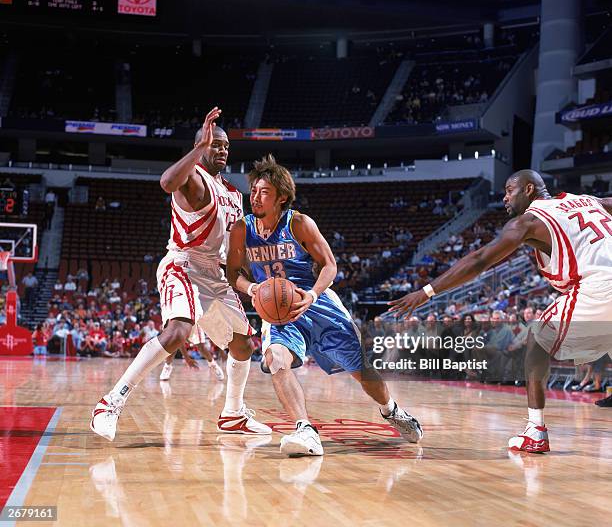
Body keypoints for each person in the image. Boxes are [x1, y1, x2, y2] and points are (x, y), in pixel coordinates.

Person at [388, 169, 612, 453]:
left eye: (509, 190)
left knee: (538, 340)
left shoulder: (529, 221)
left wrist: (426, 292)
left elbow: (481, 259)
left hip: (599, 286)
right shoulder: (588, 200)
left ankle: (536, 433)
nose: (505, 197)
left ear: (529, 189)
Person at [90, 107, 270, 441]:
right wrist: (199, 149)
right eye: (215, 144)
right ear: (201, 145)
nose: (222, 150)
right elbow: (166, 181)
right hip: (183, 265)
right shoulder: (193, 180)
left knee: (243, 344)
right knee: (177, 332)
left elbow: (235, 249)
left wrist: (252, 282)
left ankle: (233, 413)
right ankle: (110, 403)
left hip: (216, 276)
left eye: (225, 146)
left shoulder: (233, 194)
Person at [227, 155, 422, 457]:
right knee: (275, 358)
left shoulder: (299, 223)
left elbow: (329, 266)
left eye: (263, 191)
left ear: (281, 196)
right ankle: (305, 430)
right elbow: (233, 273)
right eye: (253, 190)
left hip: (316, 303)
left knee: (362, 372)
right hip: (280, 313)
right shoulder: (242, 228)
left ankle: (391, 409)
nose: (254, 196)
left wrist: (313, 294)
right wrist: (252, 288)